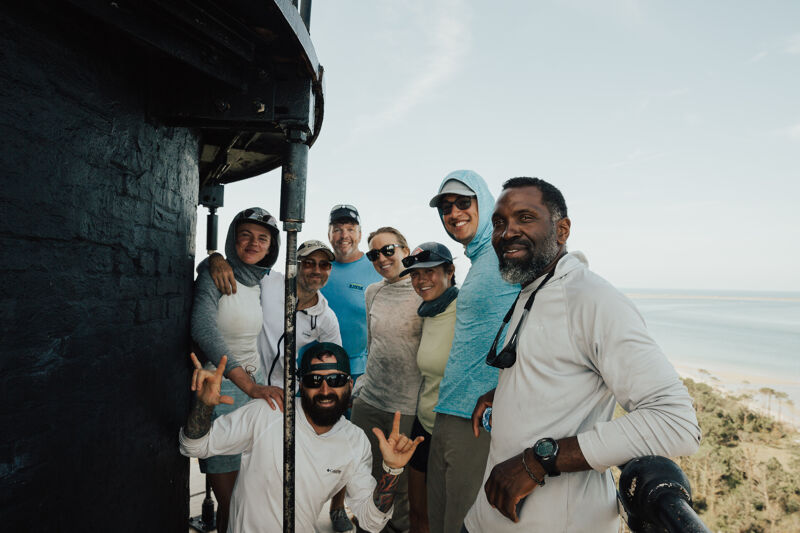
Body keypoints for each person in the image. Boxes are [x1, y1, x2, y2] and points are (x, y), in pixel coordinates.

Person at [465, 177, 701, 532]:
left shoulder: (593, 299)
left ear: (562, 230)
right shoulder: (534, 287)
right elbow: (555, 368)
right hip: (487, 518)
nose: (507, 232)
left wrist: (540, 461)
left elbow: (676, 422)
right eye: (499, 222)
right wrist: (504, 393)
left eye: (525, 218)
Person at [179, 343, 424, 532]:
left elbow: (372, 521)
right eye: (314, 380)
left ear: (350, 384)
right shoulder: (269, 412)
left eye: (335, 380)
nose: (325, 390)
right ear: (300, 385)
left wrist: (391, 472)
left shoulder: (354, 441)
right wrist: (203, 406)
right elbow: (193, 446)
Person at [425, 170, 518, 533]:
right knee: (440, 519)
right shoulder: (479, 263)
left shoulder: (508, 255)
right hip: (448, 412)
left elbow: (554, 298)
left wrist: (503, 391)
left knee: (460, 524)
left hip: (478, 421)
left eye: (464, 203)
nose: (454, 213)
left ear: (485, 202)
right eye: (446, 207)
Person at [190, 207, 284, 533]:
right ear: (233, 238)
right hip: (223, 388)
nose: (253, 243)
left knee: (251, 493)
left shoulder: (262, 282)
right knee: (231, 502)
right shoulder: (215, 276)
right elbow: (203, 330)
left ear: (272, 247)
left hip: (254, 387)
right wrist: (213, 259)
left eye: (263, 238)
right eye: (245, 235)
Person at [350, 227, 423, 533]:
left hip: (405, 407)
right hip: (368, 400)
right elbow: (371, 343)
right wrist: (362, 383)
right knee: (362, 473)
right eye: (373, 254)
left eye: (388, 250)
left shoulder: (424, 289)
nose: (381, 258)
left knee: (400, 485)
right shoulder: (372, 292)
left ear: (405, 250)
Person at [398, 242, 459, 533]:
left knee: (446, 518)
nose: (421, 280)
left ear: (450, 271)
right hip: (424, 423)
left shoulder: (464, 309)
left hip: (454, 431)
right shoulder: (429, 312)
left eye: (429, 271)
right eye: (414, 274)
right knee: (418, 515)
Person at [259, 239, 342, 388]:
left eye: (324, 265)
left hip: (284, 392)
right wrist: (215, 260)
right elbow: (240, 269)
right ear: (295, 265)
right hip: (242, 381)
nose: (317, 270)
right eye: (309, 263)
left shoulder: (326, 317)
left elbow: (335, 361)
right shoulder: (268, 281)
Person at [321, 204, 382, 379]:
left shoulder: (377, 267)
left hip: (360, 371)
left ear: (360, 234)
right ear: (329, 234)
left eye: (350, 229)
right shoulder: (317, 268)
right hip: (318, 366)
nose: (344, 235)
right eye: (337, 229)